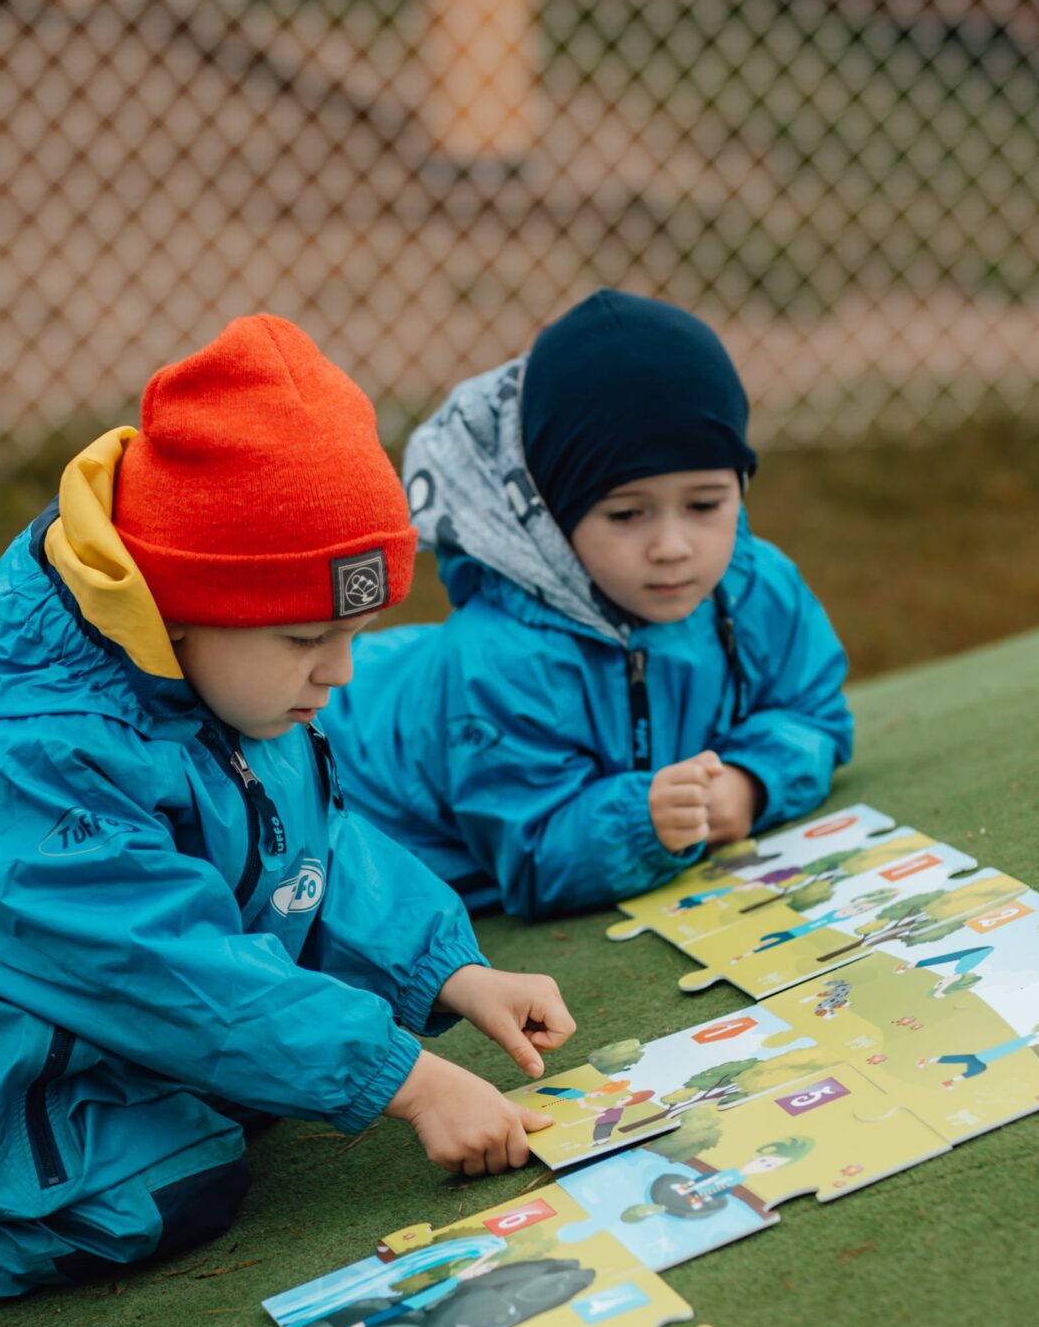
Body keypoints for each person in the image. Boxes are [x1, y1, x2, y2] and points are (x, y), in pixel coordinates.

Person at [0, 316, 572, 1327]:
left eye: (355, 628)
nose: (341, 669)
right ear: (182, 601)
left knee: (245, 1087)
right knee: (185, 1175)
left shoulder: (221, 677)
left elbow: (309, 850)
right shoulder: (44, 754)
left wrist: (447, 970)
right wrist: (406, 1080)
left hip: (1, 970)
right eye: (303, 635)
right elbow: (169, 971)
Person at [323, 289, 854, 921]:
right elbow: (530, 854)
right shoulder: (503, 657)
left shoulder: (759, 587)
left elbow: (814, 711)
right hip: (345, 771)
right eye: (627, 513)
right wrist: (641, 823)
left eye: (706, 504)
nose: (672, 547)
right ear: (552, 515)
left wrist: (753, 779)